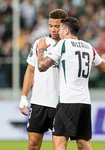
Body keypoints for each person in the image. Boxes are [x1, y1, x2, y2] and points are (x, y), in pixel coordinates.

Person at [37, 17, 105, 150]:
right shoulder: (88, 47)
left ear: (67, 30)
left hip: (68, 102)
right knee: (84, 144)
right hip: (85, 102)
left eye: (61, 29)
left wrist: (41, 50)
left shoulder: (63, 45)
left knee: (60, 144)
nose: (58, 32)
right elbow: (103, 67)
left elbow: (41, 67)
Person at [19, 9, 68, 150]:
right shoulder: (39, 43)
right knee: (33, 144)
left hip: (60, 104)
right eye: (50, 25)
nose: (53, 29)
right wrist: (23, 97)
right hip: (38, 101)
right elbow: (30, 70)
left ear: (64, 26)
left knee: (59, 147)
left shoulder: (68, 46)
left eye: (57, 26)